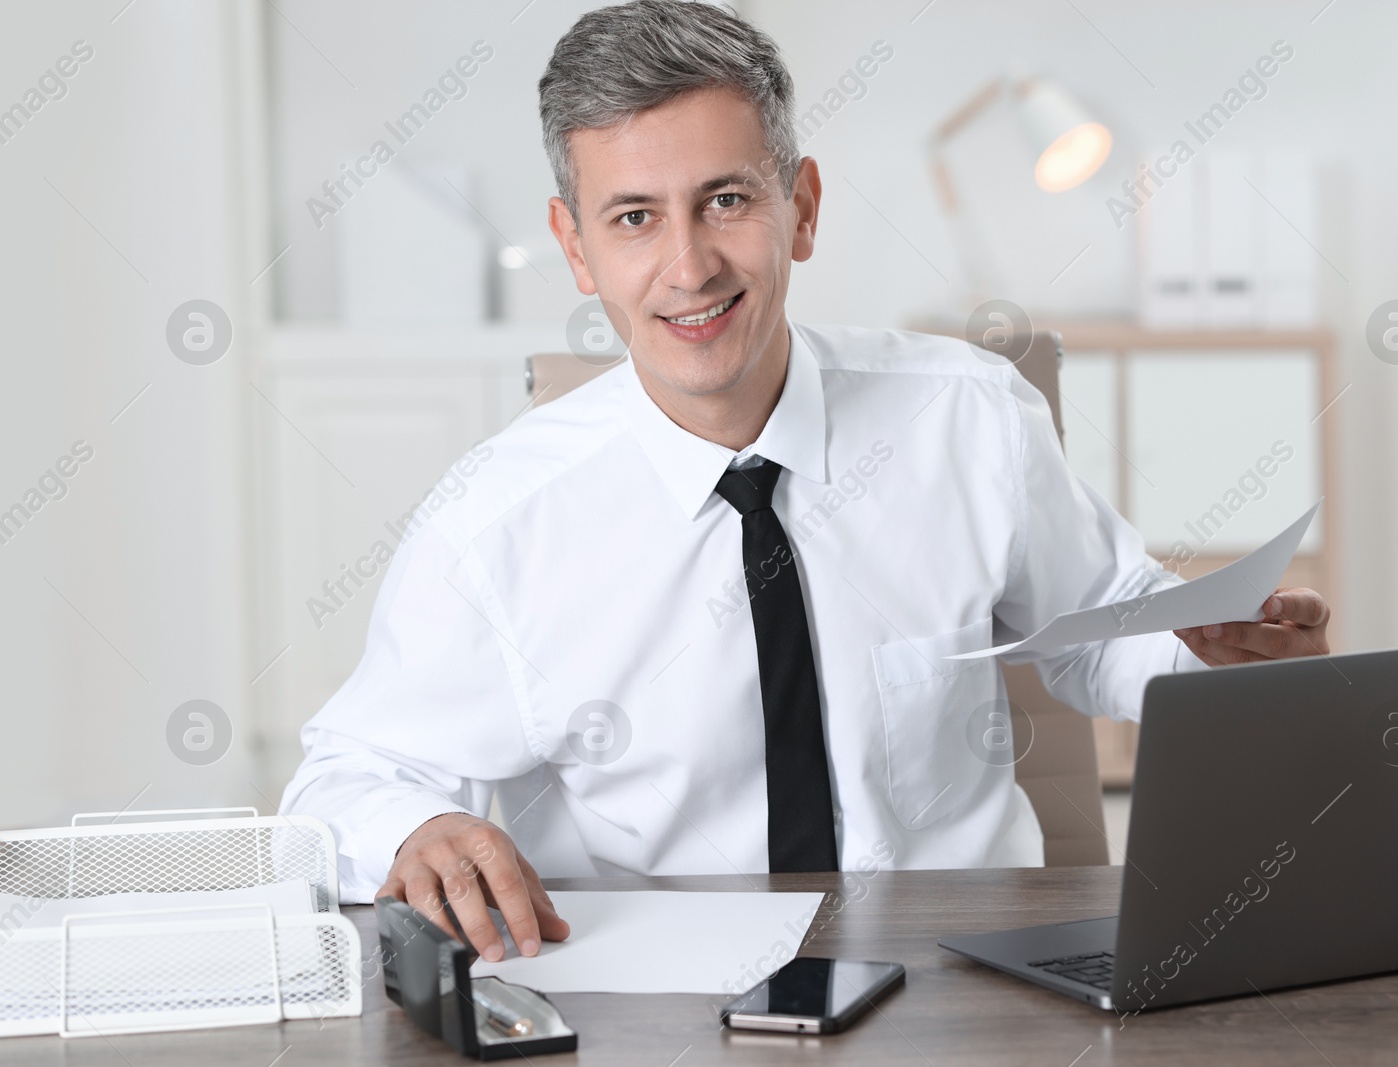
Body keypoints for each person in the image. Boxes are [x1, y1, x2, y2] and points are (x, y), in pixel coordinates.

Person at [281, 0, 1332, 965]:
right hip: (658, 995)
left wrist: (1224, 659)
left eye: (725, 200)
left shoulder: (966, 416)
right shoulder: (497, 524)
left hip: (958, 979)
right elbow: (340, 782)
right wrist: (414, 829)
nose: (688, 267)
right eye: (634, 217)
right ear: (577, 249)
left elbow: (1111, 627)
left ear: (802, 207)